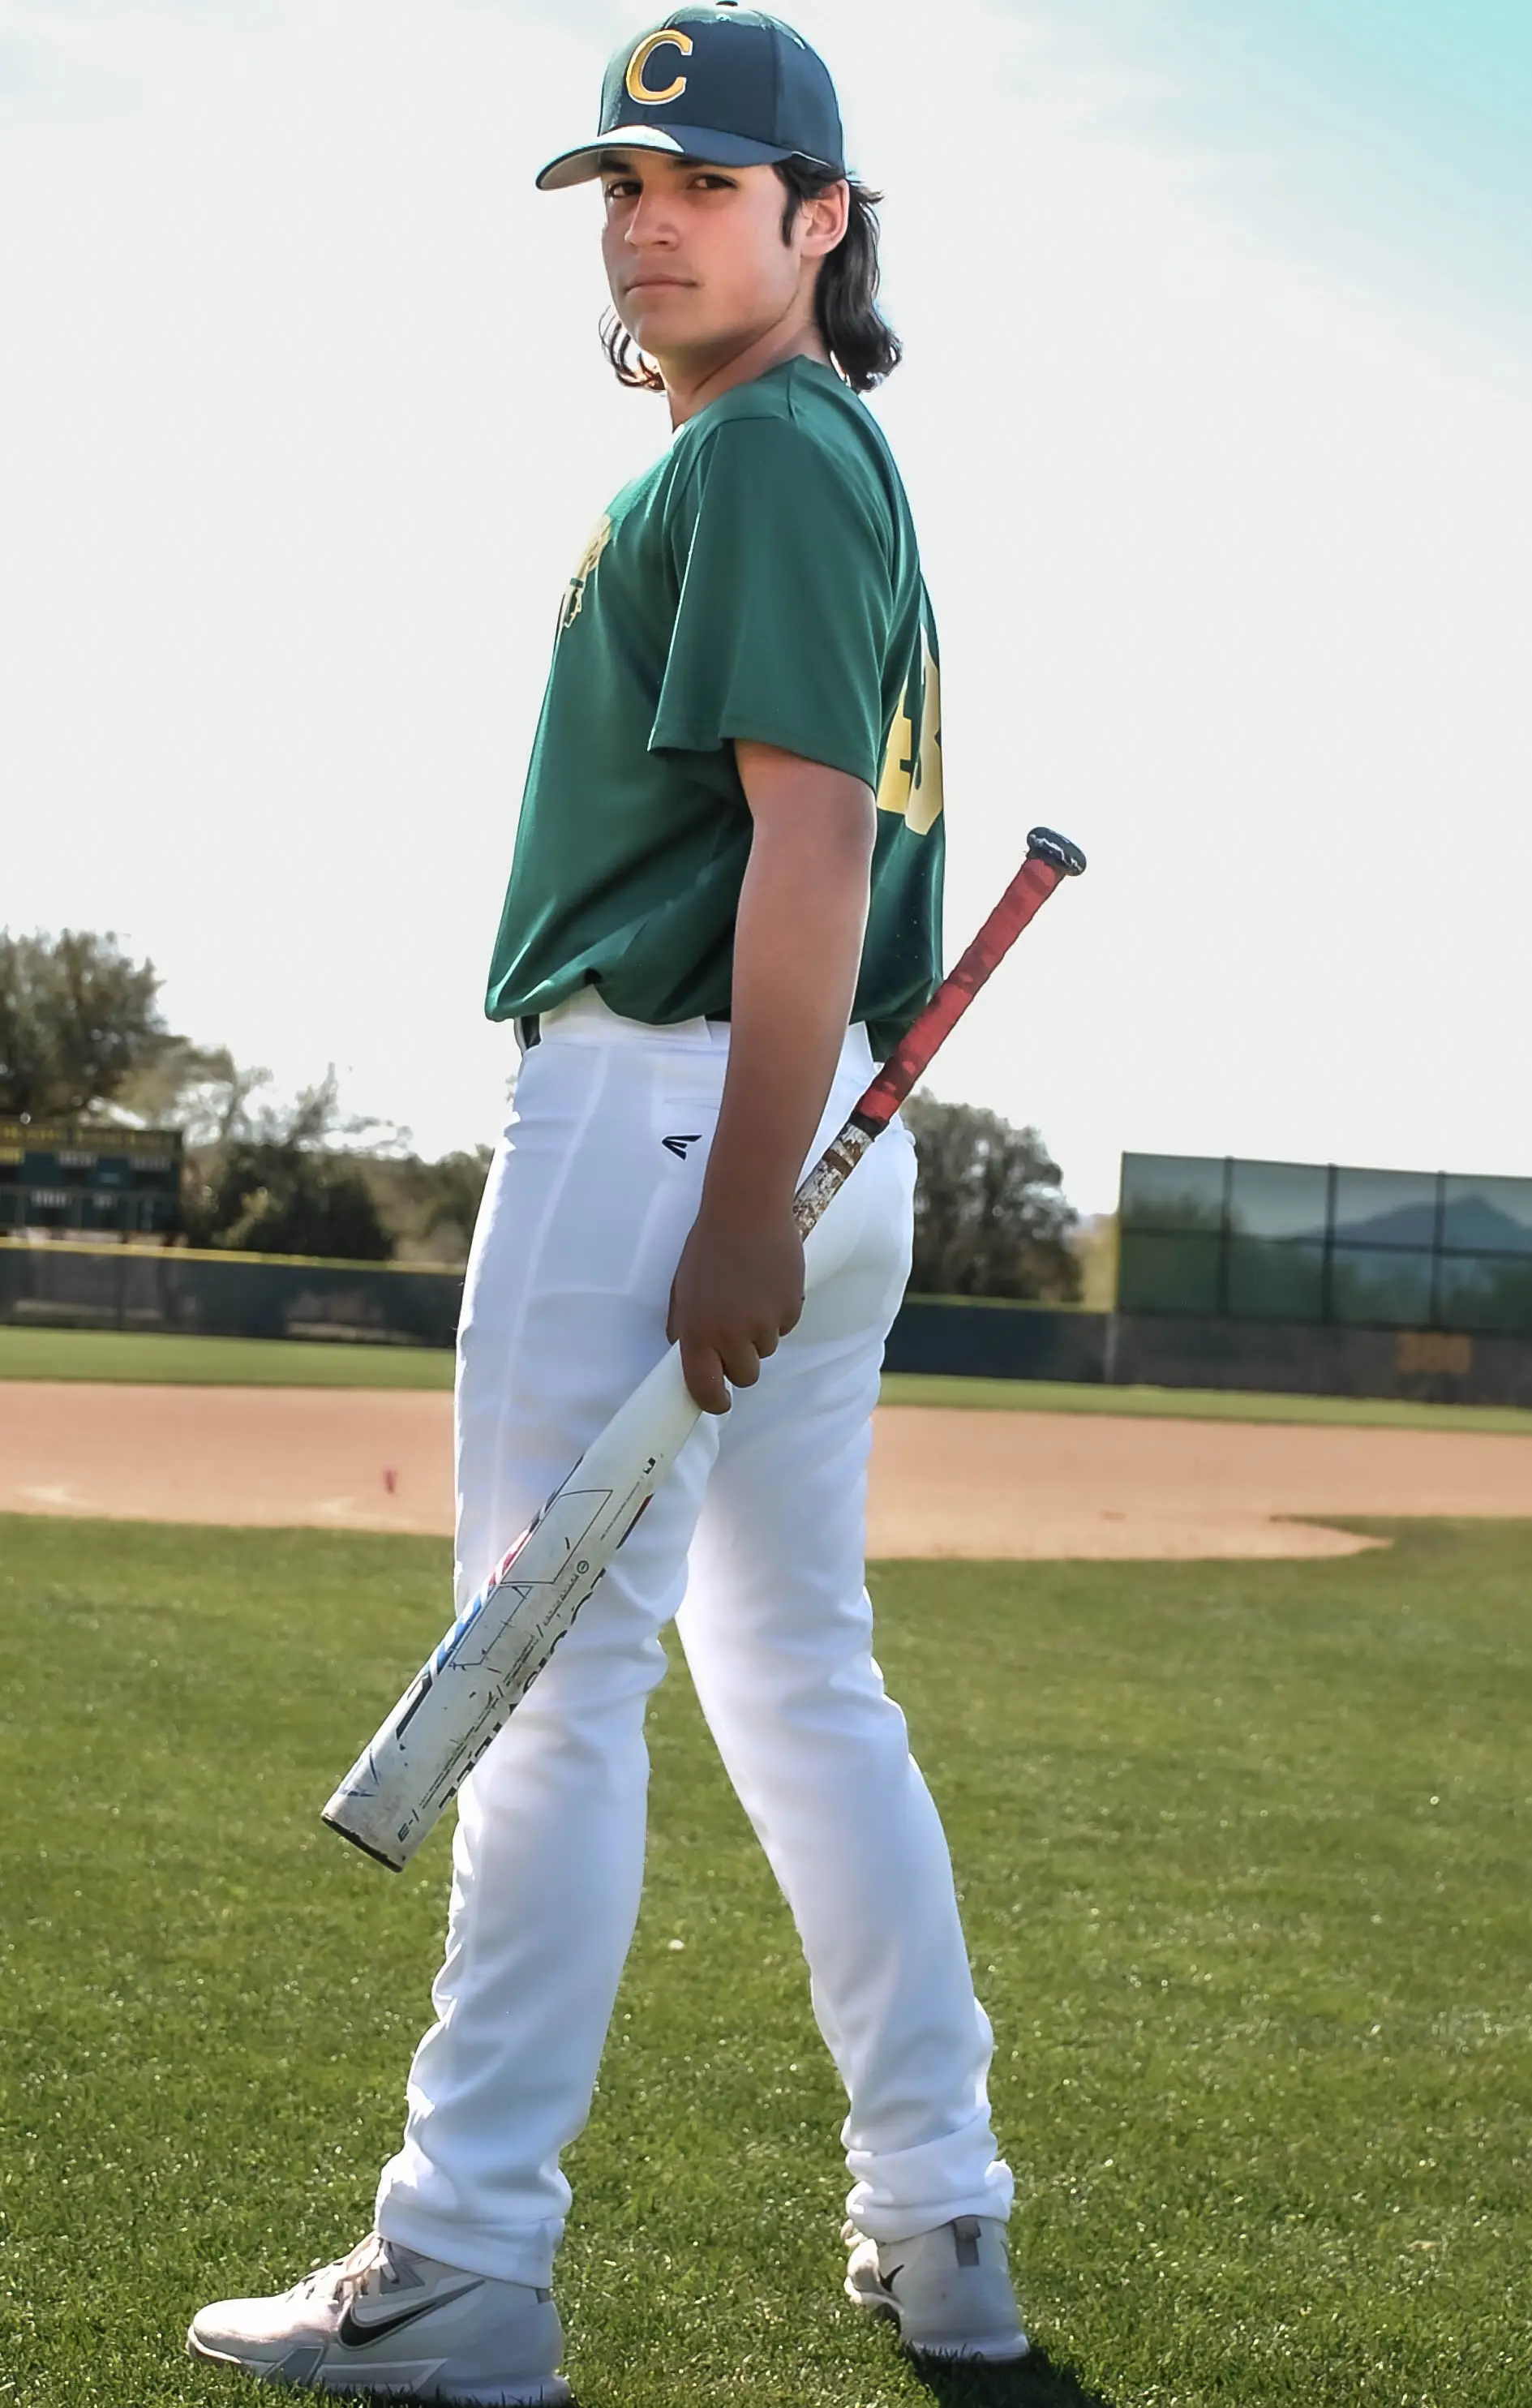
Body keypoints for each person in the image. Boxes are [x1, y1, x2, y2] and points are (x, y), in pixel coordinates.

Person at [189, 6, 1024, 2397]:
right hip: (798, 1119)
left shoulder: (764, 451)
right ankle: (941, 2216)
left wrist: (737, 1200)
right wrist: (775, 1175)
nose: (647, 225)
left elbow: (807, 842)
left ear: (822, 220)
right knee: (799, 1681)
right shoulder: (814, 454)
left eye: (704, 186)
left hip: (677, 1111)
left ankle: (463, 2257)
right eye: (622, 189)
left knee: (551, 1689)